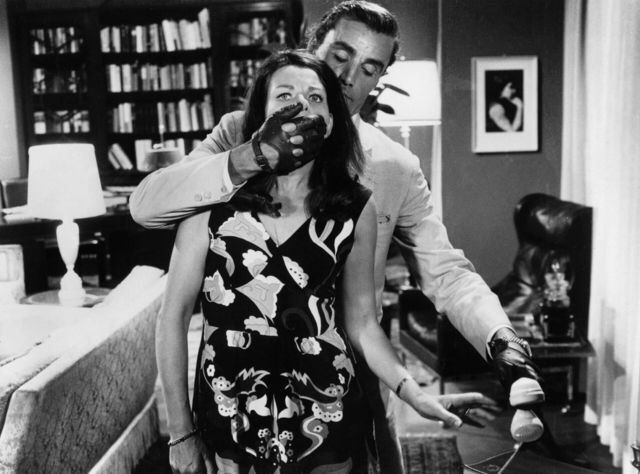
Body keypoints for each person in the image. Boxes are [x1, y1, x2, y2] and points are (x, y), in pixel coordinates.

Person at [133, 2, 544, 472]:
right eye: (340, 56)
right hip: (236, 394)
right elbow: (147, 207)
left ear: (380, 78)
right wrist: (250, 157)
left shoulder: (394, 168)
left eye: (369, 68)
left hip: (347, 386)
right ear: (313, 47)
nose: (348, 78)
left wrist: (501, 340)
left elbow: (446, 272)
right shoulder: (238, 132)